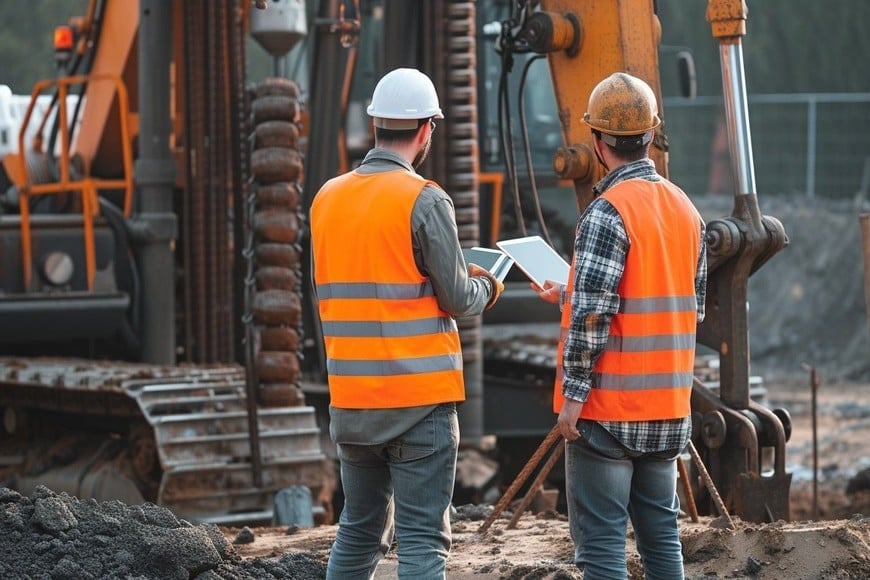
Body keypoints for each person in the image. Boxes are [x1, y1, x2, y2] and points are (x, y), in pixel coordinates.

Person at [309, 67, 504, 579]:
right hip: (419, 403)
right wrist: (490, 283)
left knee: (358, 529)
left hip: (352, 401)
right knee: (421, 540)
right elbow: (460, 298)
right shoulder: (425, 198)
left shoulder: (326, 199)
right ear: (426, 130)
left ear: (376, 125)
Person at [534, 72, 707, 579]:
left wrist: (572, 397)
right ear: (651, 137)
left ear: (597, 142)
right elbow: (684, 306)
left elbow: (592, 317)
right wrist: (570, 294)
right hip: (668, 411)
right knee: (662, 544)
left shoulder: (606, 213)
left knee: (603, 549)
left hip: (608, 414)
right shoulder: (687, 211)